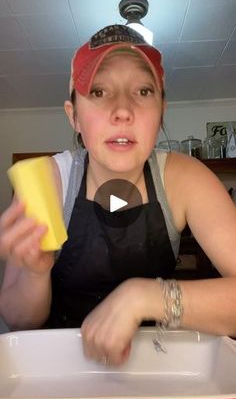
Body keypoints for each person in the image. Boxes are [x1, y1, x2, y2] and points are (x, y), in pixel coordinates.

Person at [0, 24, 236, 367]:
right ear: (74, 116)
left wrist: (144, 296)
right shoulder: (49, 182)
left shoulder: (186, 179)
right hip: (60, 374)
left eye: (142, 91)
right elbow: (20, 322)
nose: (123, 110)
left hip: (156, 369)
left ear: (162, 111)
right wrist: (36, 274)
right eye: (98, 91)